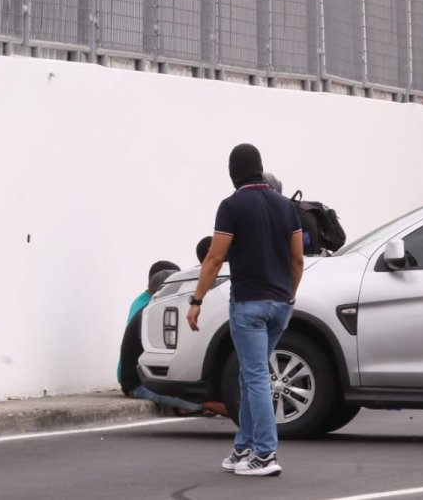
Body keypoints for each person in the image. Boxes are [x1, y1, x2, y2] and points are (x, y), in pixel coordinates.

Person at [188, 144, 303, 477]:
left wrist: (196, 302)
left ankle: (266, 455)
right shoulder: (286, 207)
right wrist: (288, 297)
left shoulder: (231, 206)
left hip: (248, 306)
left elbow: (213, 258)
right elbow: (297, 259)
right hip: (281, 305)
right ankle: (244, 447)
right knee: (249, 374)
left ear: (232, 172)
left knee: (255, 378)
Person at [119, 264, 226, 417]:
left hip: (152, 379)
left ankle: (191, 407)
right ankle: (195, 407)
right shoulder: (156, 314)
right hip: (140, 384)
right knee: (212, 405)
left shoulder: (157, 310)